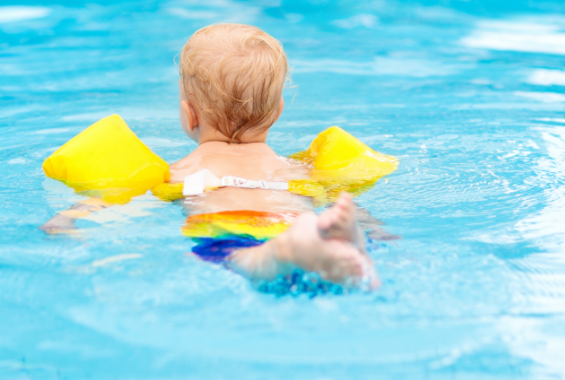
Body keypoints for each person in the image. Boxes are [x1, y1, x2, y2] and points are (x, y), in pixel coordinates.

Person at [43, 23, 382, 289]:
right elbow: (347, 199)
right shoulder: (299, 170)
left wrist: (67, 219)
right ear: (277, 112)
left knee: (244, 262)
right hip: (291, 218)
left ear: (189, 114)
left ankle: (280, 253)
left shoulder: (177, 173)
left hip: (228, 233)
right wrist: (373, 227)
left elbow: (111, 199)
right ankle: (333, 241)